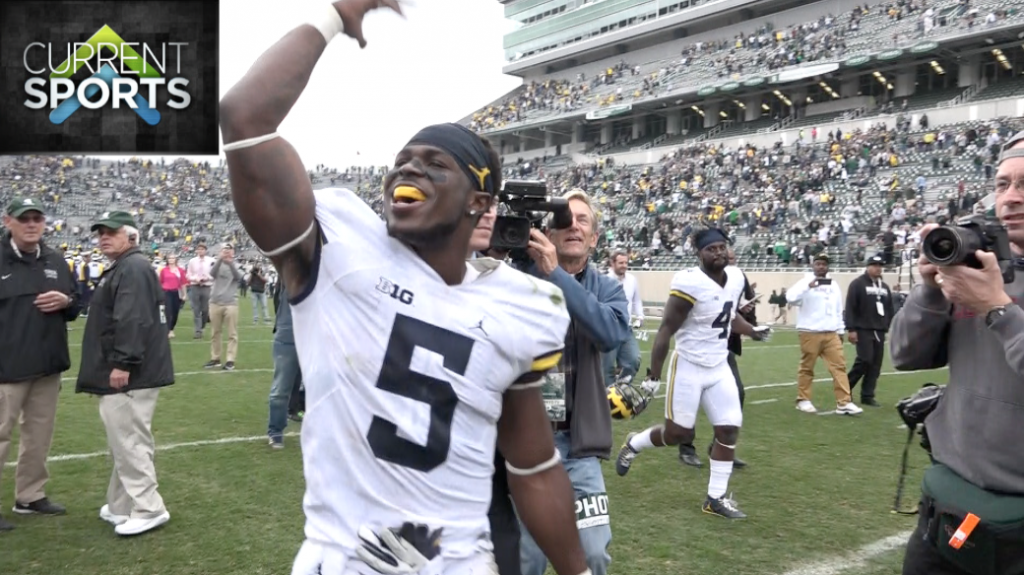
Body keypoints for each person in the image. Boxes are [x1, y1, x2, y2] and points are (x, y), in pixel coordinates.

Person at [218, 2, 591, 573]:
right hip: (343, 561)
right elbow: (243, 118)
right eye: (402, 162)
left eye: (434, 164)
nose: (408, 172)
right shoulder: (339, 248)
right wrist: (336, 17)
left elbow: (534, 466)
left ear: (479, 203)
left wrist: (578, 570)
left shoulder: (524, 303)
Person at [892, 132, 1024, 575]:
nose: (1010, 197)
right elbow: (905, 355)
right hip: (949, 505)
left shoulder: (987, 289)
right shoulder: (974, 270)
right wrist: (930, 288)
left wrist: (997, 308)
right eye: (1002, 183)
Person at [614, 229, 769, 520]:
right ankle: (635, 443)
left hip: (719, 365)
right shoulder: (689, 282)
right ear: (699, 254)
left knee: (729, 428)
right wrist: (652, 379)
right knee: (678, 434)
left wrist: (751, 330)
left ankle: (715, 498)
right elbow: (665, 332)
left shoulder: (735, 277)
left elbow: (727, 313)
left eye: (722, 247)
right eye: (712, 249)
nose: (719, 253)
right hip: (688, 365)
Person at [516, 189, 630, 575]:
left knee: (594, 555)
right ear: (547, 232)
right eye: (564, 220)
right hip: (526, 442)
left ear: (594, 238)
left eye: (583, 220)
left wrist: (557, 275)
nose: (574, 226)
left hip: (578, 443)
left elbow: (609, 333)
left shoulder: (608, 288)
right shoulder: (519, 278)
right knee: (525, 558)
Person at [75, 211, 174, 537]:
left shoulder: (132, 267)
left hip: (131, 373)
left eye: (111, 232)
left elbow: (133, 319)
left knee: (130, 440)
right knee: (123, 440)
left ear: (131, 237)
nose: (103, 236)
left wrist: (123, 362)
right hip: (129, 370)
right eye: (100, 231)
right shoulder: (127, 266)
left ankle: (149, 508)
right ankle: (121, 505)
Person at [0, 198, 80, 532]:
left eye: (37, 218)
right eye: (25, 219)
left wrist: (67, 301)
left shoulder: (56, 260)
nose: (32, 224)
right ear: (8, 222)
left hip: (47, 366)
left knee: (39, 436)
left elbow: (75, 306)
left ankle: (30, 496)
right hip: (6, 367)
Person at [678, 247, 753, 469]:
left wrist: (747, 313)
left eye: (730, 258)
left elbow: (739, 307)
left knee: (737, 393)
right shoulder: (694, 279)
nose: (727, 262)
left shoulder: (738, 278)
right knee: (690, 399)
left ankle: (719, 447)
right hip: (696, 349)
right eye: (723, 258)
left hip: (722, 349)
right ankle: (686, 448)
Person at [786, 254, 863, 415]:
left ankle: (844, 402)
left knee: (839, 367)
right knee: (807, 367)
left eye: (824, 264)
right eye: (818, 264)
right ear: (813, 265)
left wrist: (840, 330)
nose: (821, 267)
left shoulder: (833, 284)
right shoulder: (805, 282)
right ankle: (803, 399)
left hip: (830, 332)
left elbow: (837, 308)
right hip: (809, 332)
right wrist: (808, 286)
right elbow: (790, 298)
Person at [844, 255, 894, 407]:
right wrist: (851, 329)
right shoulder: (857, 284)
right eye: (874, 265)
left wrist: (887, 325)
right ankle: (844, 389)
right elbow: (851, 306)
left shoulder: (884, 287)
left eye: (880, 265)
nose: (877, 268)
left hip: (879, 330)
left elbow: (889, 308)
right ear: (867, 266)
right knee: (864, 360)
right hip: (863, 329)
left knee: (875, 365)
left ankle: (867, 395)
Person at [267, 281, 301, 449]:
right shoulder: (289, 271)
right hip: (288, 333)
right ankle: (275, 432)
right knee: (281, 388)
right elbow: (277, 300)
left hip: (317, 333)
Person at [603, 251, 643, 385]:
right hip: (608, 330)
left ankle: (622, 389)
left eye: (626, 263)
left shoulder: (632, 280)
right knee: (606, 368)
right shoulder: (604, 280)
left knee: (633, 359)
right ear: (612, 263)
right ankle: (607, 399)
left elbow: (636, 300)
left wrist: (640, 316)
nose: (624, 265)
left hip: (626, 328)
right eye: (621, 263)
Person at [203, 244, 243, 371]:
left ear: (233, 252)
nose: (227, 252)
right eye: (225, 250)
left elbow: (238, 277)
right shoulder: (216, 263)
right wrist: (220, 259)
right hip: (215, 302)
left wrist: (230, 262)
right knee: (215, 332)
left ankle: (230, 359)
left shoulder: (237, 265)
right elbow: (212, 274)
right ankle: (215, 358)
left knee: (232, 333)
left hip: (230, 302)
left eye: (229, 250)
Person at [186, 244, 214, 339]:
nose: (200, 251)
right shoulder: (192, 261)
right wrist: (195, 279)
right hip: (195, 286)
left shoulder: (211, 261)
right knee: (196, 309)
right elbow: (188, 274)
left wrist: (207, 278)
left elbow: (214, 274)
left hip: (206, 286)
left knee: (205, 309)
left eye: (202, 249)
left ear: (205, 251)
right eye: (199, 249)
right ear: (196, 251)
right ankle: (198, 331)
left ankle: (202, 325)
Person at [157, 254, 187, 339]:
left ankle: (172, 328)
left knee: (175, 312)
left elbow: (183, 283)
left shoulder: (180, 270)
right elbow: (161, 282)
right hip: (166, 292)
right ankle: (168, 330)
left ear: (176, 259)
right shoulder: (164, 270)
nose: (171, 259)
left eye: (173, 258)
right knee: (168, 311)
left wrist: (184, 294)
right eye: (170, 258)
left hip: (176, 292)